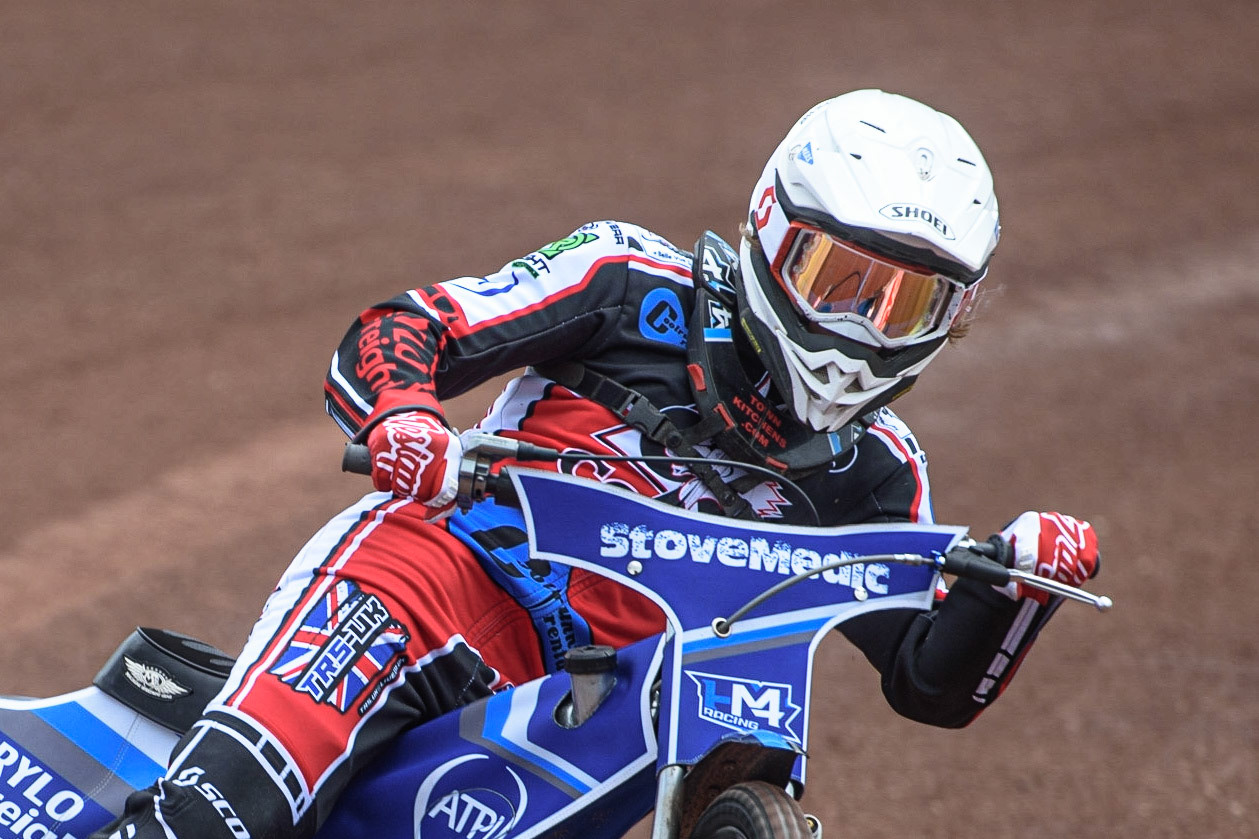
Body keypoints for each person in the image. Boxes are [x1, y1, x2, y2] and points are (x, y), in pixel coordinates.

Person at [94, 89, 1099, 839]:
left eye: (906, 304)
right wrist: (405, 417)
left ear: (954, 317)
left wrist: (1014, 588)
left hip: (607, 706)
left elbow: (927, 678)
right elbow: (408, 327)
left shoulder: (874, 468)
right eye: (836, 279)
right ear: (769, 229)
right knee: (220, 817)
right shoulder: (625, 279)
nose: (860, 328)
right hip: (428, 585)